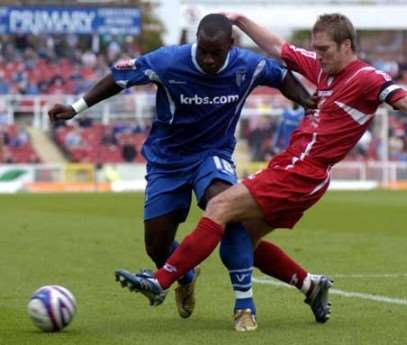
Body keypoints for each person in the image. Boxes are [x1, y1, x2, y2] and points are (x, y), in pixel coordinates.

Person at [114, 12, 407, 330]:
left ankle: (162, 282)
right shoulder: (322, 69)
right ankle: (310, 286)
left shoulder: (365, 78)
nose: (318, 56)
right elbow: (277, 48)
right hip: (294, 166)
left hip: (302, 171)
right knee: (240, 239)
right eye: (315, 49)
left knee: (220, 206)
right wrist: (240, 20)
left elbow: (403, 97)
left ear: (347, 46)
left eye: (325, 50)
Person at [48, 14, 320, 332]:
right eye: (203, 49)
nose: (207, 58)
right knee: (156, 246)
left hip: (213, 155)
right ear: (196, 41)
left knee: (228, 210)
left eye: (215, 52)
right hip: (167, 161)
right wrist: (75, 107)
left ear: (230, 46)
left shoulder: (248, 64)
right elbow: (118, 78)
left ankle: (244, 306)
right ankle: (186, 276)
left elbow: (281, 76)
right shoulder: (168, 60)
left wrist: (305, 100)